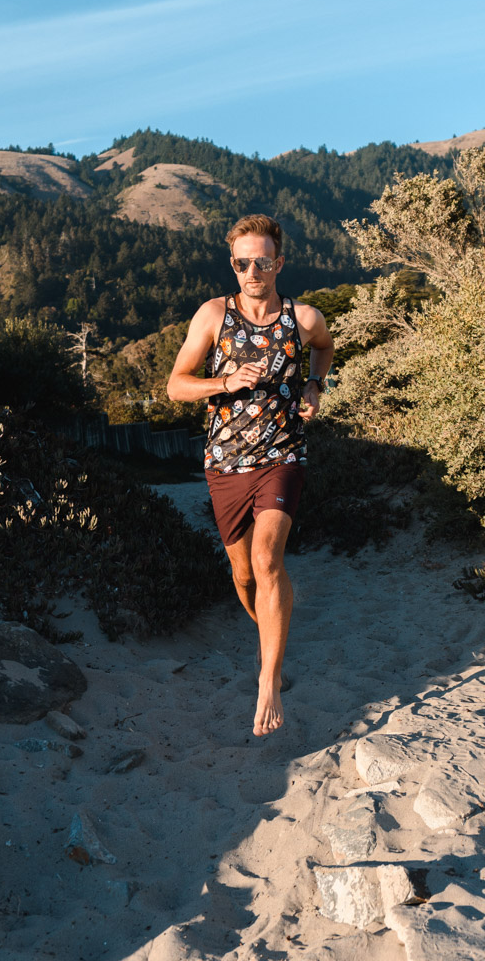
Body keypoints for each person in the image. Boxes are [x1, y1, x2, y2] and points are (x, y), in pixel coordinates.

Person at [166, 213, 334, 737]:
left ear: (279, 263)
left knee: (267, 560)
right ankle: (270, 633)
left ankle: (269, 678)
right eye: (243, 263)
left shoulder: (302, 318)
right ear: (233, 265)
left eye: (263, 262)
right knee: (243, 574)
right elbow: (175, 385)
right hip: (225, 463)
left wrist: (314, 385)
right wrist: (225, 381)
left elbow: (325, 348)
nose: (253, 271)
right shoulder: (214, 315)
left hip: (283, 455)